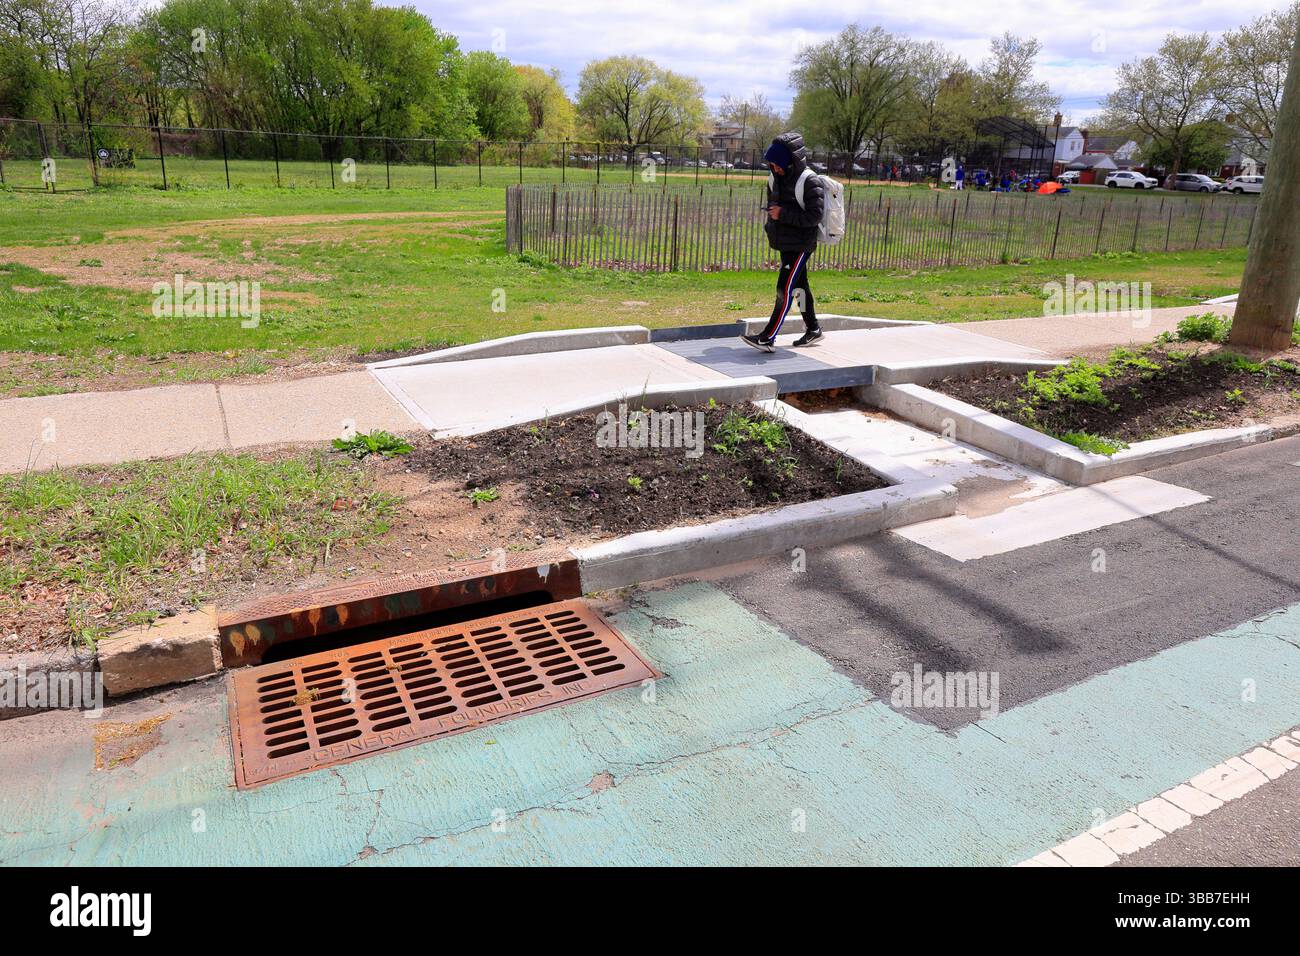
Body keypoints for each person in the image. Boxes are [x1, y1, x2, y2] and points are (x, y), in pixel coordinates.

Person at [741, 132, 825, 352]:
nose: (775, 168)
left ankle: (768, 337)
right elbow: (775, 207)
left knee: (784, 288)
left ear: (790, 161)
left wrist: (782, 214)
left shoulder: (809, 180)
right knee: (800, 288)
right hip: (785, 242)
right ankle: (813, 328)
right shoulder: (774, 178)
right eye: (772, 164)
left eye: (778, 164)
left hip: (801, 244)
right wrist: (772, 219)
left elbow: (814, 217)